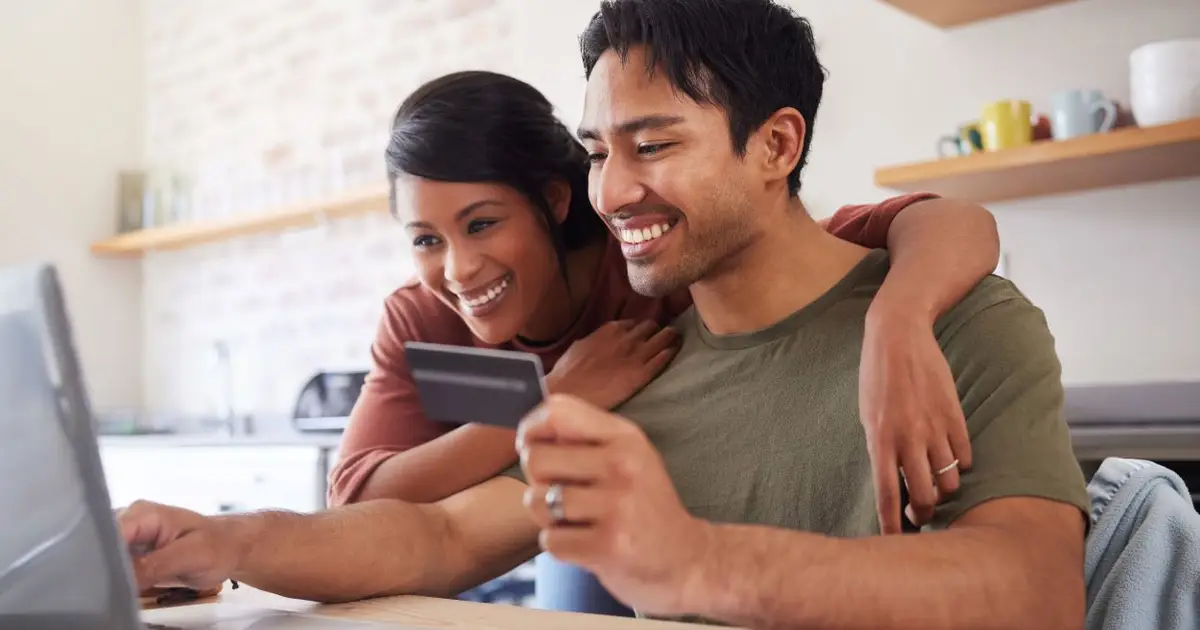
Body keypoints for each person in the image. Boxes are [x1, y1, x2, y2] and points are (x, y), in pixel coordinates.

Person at [112, 3, 1088, 628]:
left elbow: (1037, 592)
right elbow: (437, 538)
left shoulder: (960, 322)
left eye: (652, 144)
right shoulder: (639, 368)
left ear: (776, 144)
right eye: (596, 150)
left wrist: (697, 563)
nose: (612, 190)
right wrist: (230, 544)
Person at [326, 69, 999, 612]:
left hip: (704, 519)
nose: (458, 269)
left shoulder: (658, 258)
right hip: (531, 524)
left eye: (481, 225)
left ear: (555, 201)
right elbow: (357, 497)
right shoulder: (422, 319)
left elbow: (947, 222)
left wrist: (899, 322)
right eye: (425, 239)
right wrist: (556, 398)